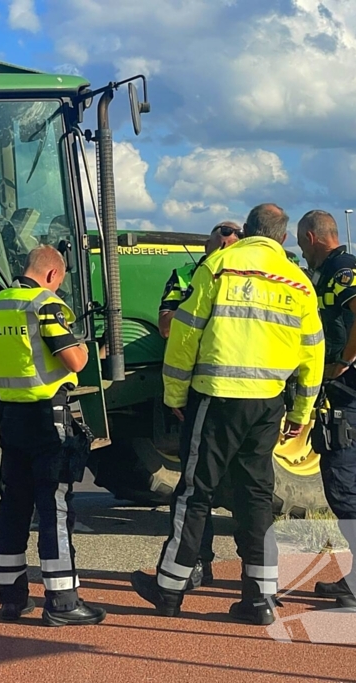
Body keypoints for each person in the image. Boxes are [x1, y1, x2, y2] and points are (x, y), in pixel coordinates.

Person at [130, 203, 324, 625]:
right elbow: (313, 352)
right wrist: (302, 409)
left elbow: (185, 333)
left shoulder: (219, 265)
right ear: (283, 238)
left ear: (248, 230)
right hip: (268, 402)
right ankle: (260, 598)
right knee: (256, 495)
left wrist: (175, 394)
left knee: (195, 491)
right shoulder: (299, 281)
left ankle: (169, 588)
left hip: (216, 396)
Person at [0, 245, 106, 627]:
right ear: (51, 276)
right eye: (58, 283)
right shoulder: (47, 306)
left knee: (13, 507)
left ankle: (11, 598)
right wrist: (84, 348)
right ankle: (62, 602)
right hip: (49, 419)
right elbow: (74, 360)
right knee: (55, 507)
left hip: (11, 417)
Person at [297, 209, 356, 612]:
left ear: (313, 237)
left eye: (302, 244)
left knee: (347, 486)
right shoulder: (338, 268)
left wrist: (345, 360)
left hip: (350, 390)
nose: (301, 253)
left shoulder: (340, 269)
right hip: (345, 392)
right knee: (345, 483)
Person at [157, 220, 242, 589]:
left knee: (246, 488)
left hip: (242, 393)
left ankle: (253, 575)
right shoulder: (185, 274)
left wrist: (198, 318)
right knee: (194, 485)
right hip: (198, 390)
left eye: (232, 240)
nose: (224, 243)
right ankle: (195, 565)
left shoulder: (249, 276)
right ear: (208, 242)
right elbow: (165, 324)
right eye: (218, 238)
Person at [159, 221, 242, 339]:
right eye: (221, 250)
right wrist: (195, 300)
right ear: (207, 247)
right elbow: (165, 329)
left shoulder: (249, 278)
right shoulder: (182, 275)